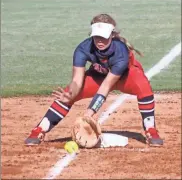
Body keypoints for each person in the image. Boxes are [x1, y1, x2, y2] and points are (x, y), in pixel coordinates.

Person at [25, 14, 163, 147]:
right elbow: (77, 80)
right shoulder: (83, 48)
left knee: (143, 85)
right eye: (96, 36)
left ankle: (151, 129)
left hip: (126, 77)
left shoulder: (120, 52)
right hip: (98, 76)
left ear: (112, 35)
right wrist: (71, 94)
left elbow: (106, 87)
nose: (99, 41)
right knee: (67, 94)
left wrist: (89, 113)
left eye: (103, 37)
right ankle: (39, 130)